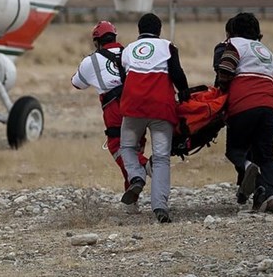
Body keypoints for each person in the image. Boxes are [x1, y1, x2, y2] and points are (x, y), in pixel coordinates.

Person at [71, 21, 149, 213]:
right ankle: (132, 203)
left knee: (118, 147)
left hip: (115, 109)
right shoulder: (131, 52)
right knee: (134, 147)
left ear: (96, 42)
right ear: (114, 37)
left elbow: (77, 83)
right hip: (139, 106)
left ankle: (147, 166)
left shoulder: (90, 61)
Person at [119, 13, 189, 223]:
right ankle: (160, 207)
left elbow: (123, 77)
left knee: (127, 147)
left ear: (139, 30)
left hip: (133, 107)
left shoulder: (128, 49)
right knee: (160, 158)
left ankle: (136, 177)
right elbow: (177, 73)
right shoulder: (167, 47)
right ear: (159, 30)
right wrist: (184, 92)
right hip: (161, 108)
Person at [215, 12, 273, 213]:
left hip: (243, 104)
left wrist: (221, 89)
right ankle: (271, 196)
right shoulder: (267, 51)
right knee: (266, 155)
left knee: (235, 150)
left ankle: (248, 168)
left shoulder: (235, 45)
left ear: (233, 30)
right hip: (269, 106)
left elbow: (225, 70)